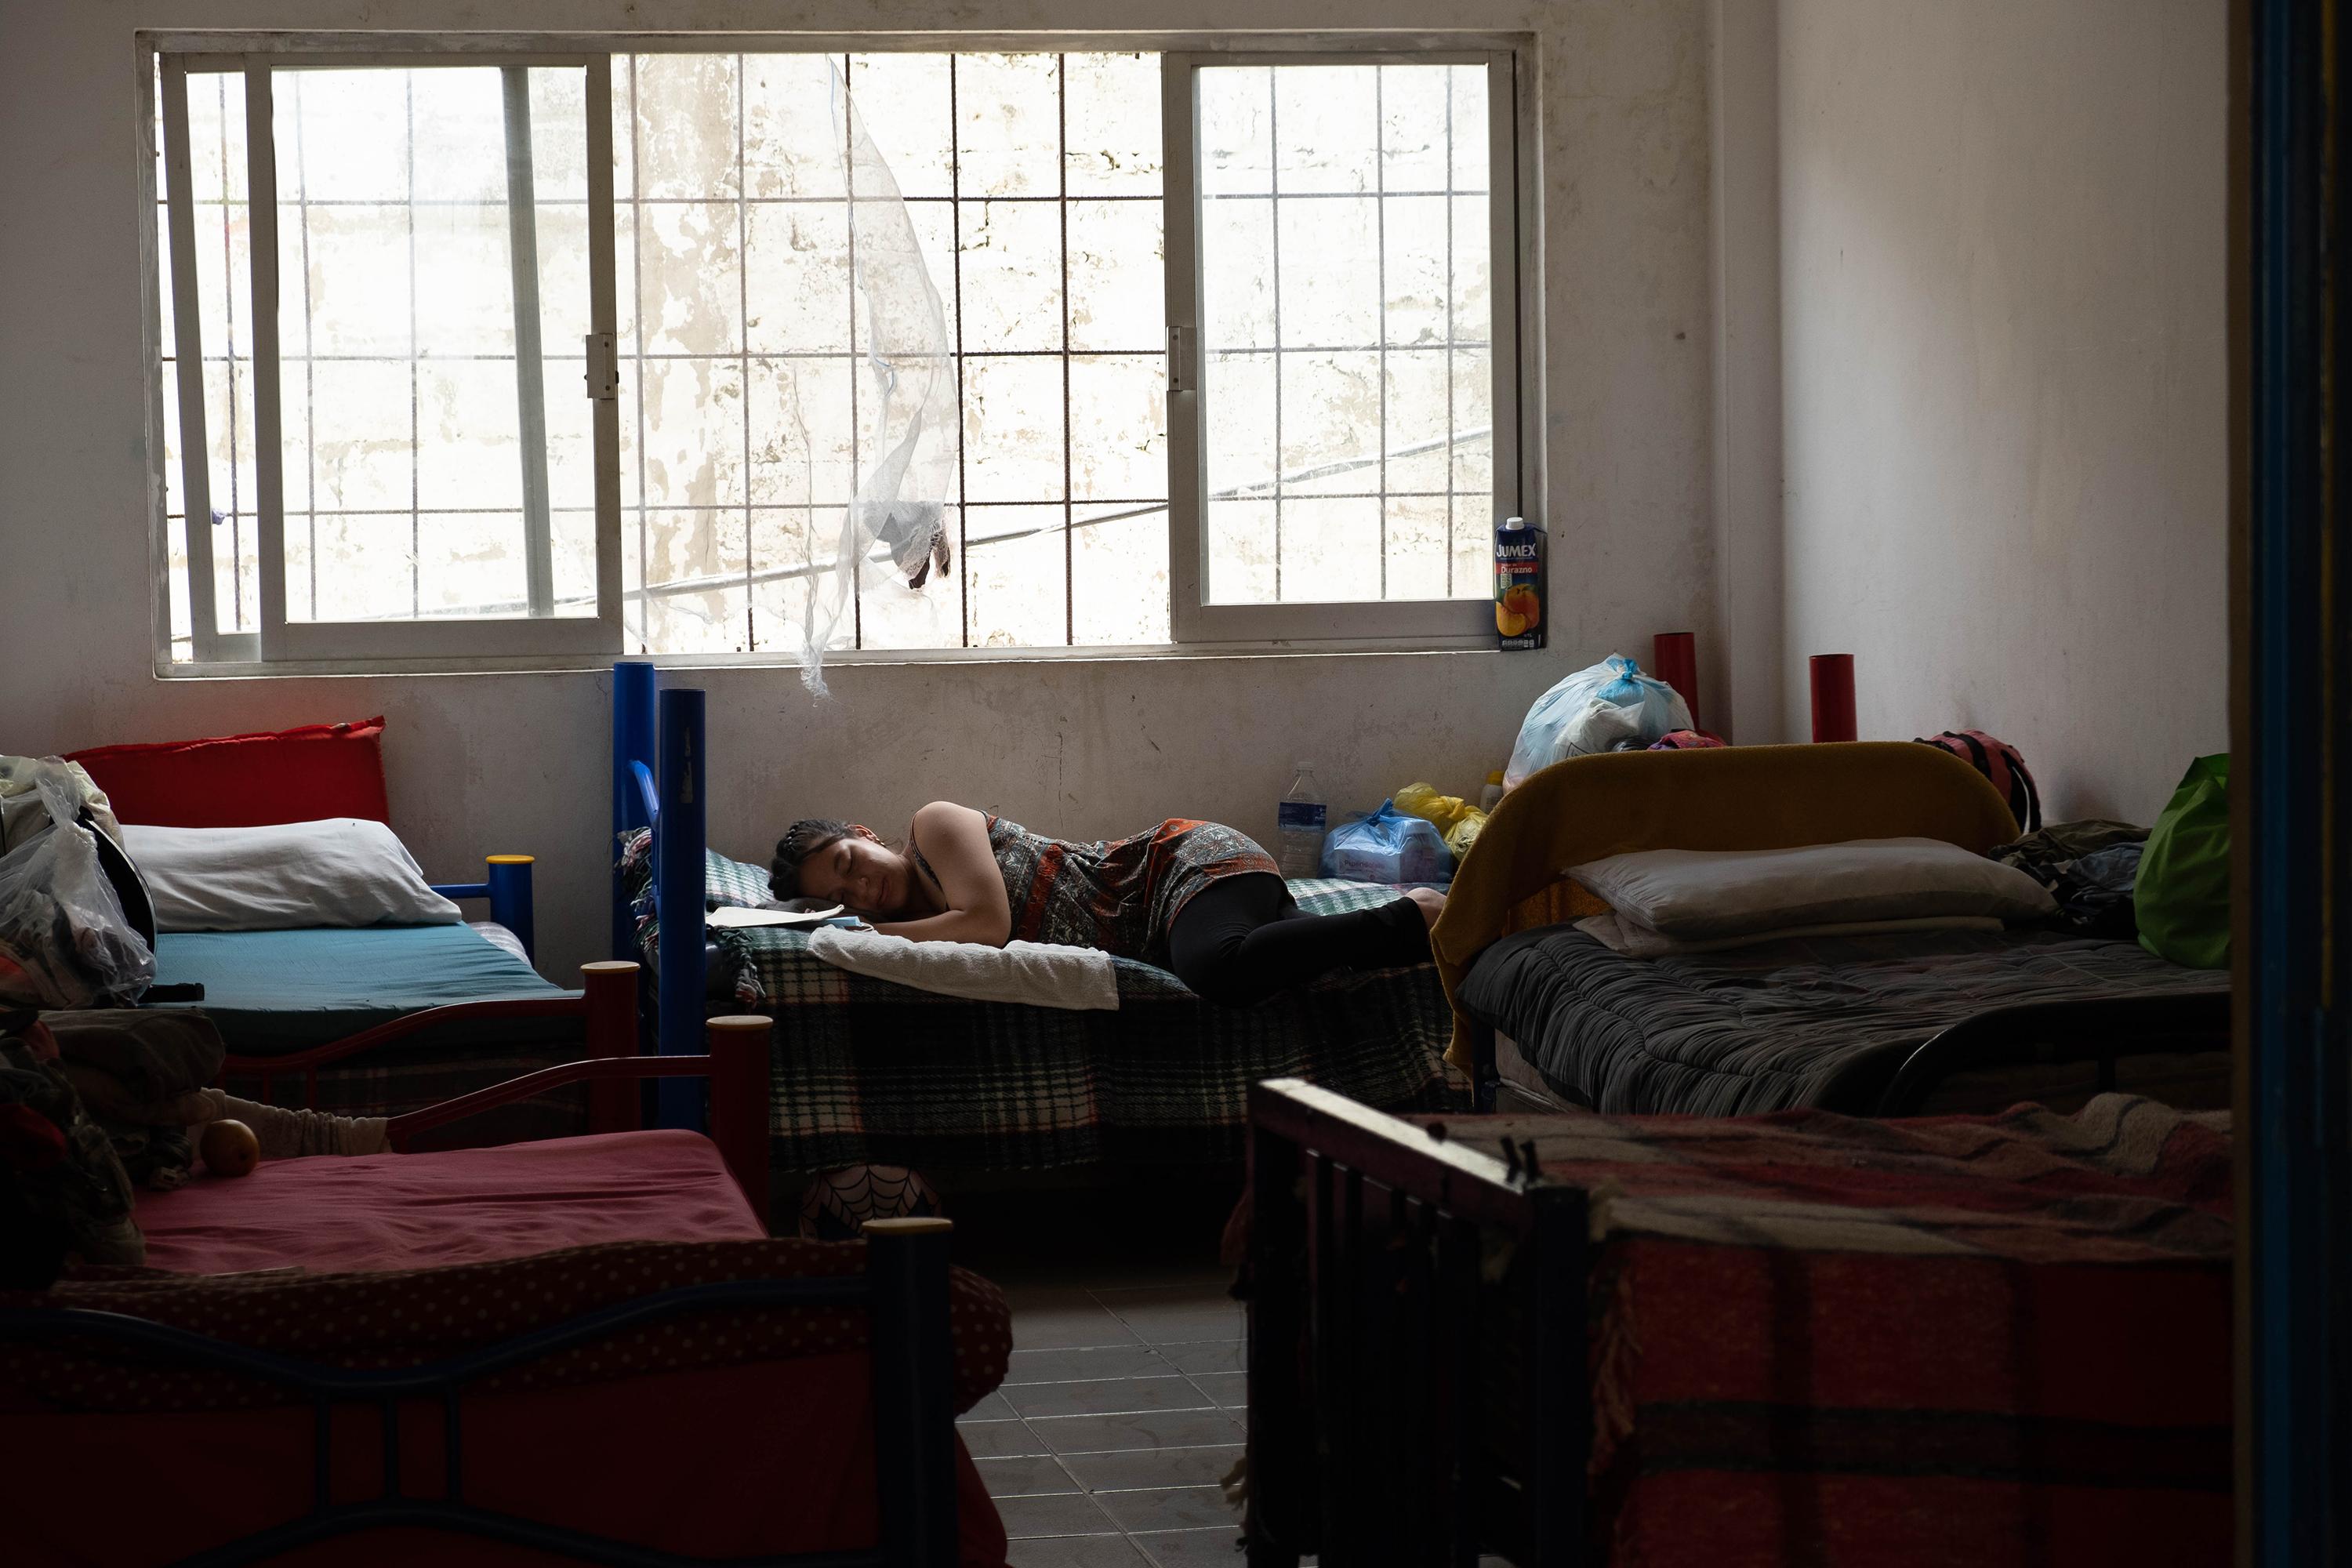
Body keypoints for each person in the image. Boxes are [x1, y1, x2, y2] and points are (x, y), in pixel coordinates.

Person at [771, 803, 1441, 1008]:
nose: (859, 891)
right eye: (839, 897)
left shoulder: (933, 826)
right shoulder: (902, 925)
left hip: (1174, 868)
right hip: (1175, 916)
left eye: (849, 865)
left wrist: (867, 933)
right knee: (1318, 968)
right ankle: (1432, 931)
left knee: (1213, 969)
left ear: (862, 835)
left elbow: (986, 925)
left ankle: (1411, 910)